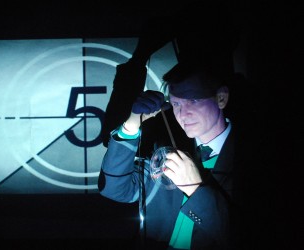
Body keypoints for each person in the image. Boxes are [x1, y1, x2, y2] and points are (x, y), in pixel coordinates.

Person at [97, 3, 255, 248]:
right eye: (177, 103)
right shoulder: (166, 147)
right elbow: (114, 189)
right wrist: (130, 124)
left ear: (222, 97)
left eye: (193, 101)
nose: (184, 113)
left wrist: (196, 188)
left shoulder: (255, 154)